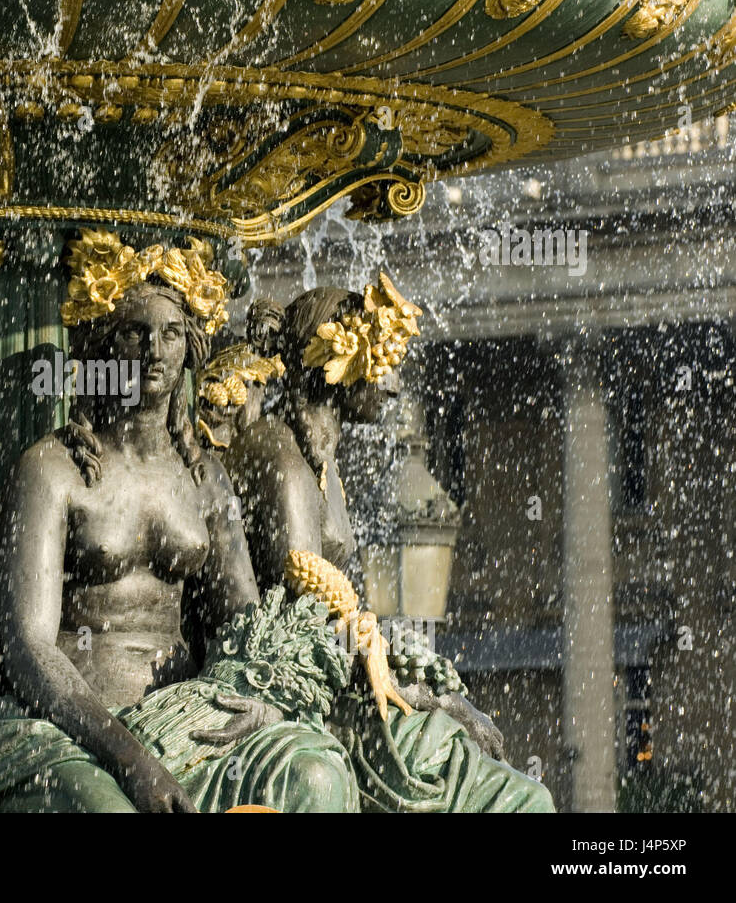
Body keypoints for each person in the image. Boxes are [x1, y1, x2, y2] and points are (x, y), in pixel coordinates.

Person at [0, 230, 361, 813]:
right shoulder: (51, 470)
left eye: (171, 334)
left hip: (183, 720)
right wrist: (132, 760)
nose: (155, 350)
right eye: (134, 333)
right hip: (72, 733)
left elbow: (243, 624)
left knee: (313, 775)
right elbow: (28, 647)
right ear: (101, 348)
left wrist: (265, 701)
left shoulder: (205, 478)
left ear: (190, 348)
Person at [218, 276, 555, 811]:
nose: (395, 385)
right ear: (340, 360)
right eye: (384, 364)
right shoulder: (280, 461)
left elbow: (341, 617)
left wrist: (421, 682)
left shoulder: (323, 469)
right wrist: (427, 694)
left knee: (520, 794)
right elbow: (301, 625)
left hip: (332, 687)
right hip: (292, 698)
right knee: (513, 799)